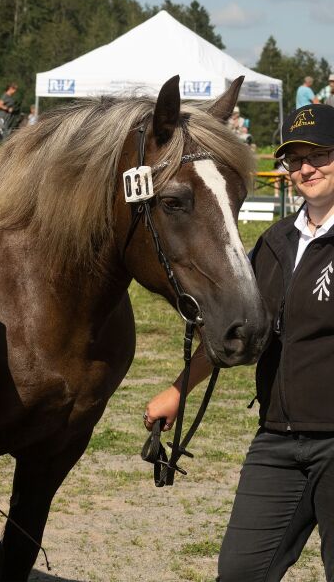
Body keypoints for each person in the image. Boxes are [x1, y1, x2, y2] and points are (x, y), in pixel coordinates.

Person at [144, 103, 334, 581]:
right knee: (240, 571)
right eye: (296, 159)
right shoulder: (273, 243)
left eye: (322, 154)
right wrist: (177, 390)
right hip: (277, 442)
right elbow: (245, 327)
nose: (307, 168)